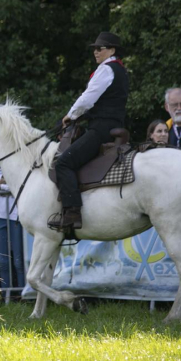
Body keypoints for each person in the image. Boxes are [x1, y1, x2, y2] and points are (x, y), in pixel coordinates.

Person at [49, 31, 129, 233]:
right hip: (112, 125)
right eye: (94, 48)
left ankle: (72, 212)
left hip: (101, 128)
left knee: (64, 163)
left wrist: (70, 116)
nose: (95, 52)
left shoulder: (106, 70)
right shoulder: (120, 70)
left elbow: (88, 98)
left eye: (99, 48)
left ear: (111, 50)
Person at [0, 163, 28, 293]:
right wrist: (1, 183)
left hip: (17, 215)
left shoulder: (20, 162)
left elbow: (20, 187)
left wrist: (0, 186)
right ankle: (5, 295)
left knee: (19, 260)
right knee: (2, 261)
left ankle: (24, 294)